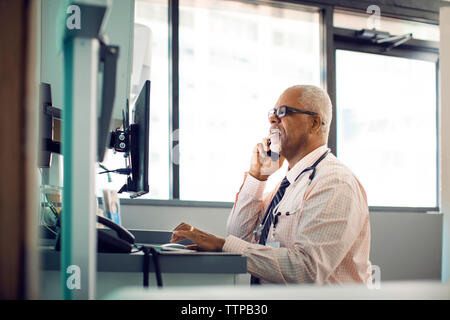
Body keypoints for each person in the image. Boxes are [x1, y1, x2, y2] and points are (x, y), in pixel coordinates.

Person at [170, 85, 372, 285]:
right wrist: (257, 177)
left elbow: (306, 270)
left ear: (314, 123)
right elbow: (239, 235)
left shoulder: (334, 182)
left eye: (283, 112)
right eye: (272, 113)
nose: (272, 119)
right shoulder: (287, 185)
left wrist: (221, 245)